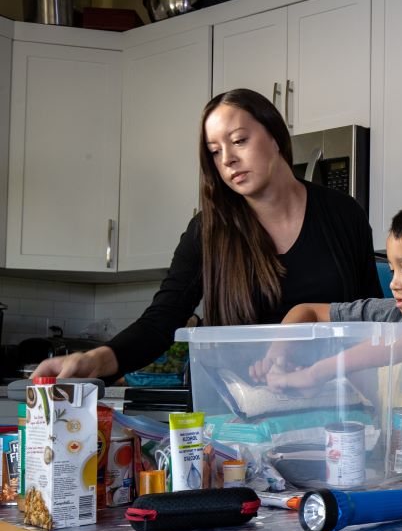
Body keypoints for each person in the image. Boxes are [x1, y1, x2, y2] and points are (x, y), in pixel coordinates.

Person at [33, 88, 382, 381]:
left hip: (339, 415)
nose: (228, 159)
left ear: (275, 136)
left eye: (239, 141)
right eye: (215, 152)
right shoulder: (208, 231)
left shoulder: (343, 214)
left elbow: (373, 319)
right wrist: (95, 360)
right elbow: (160, 323)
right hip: (239, 419)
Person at [251, 199, 402, 471]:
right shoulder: (391, 313)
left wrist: (318, 372)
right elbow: (306, 311)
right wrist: (276, 357)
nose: (394, 282)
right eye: (393, 270)